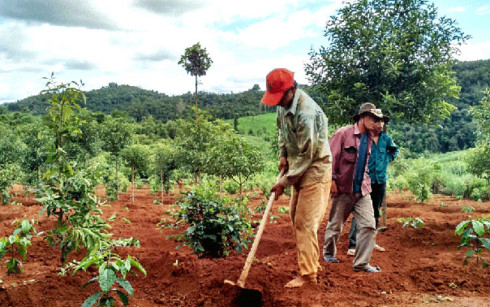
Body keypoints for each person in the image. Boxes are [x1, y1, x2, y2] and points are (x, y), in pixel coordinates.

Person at [262, 68, 332, 288]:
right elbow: (282, 132)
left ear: (292, 89)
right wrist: (283, 155)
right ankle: (311, 264)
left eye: (281, 97)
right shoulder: (283, 107)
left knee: (305, 222)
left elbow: (307, 155)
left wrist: (283, 183)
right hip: (296, 167)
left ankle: (309, 275)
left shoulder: (307, 112)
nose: (278, 103)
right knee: (295, 217)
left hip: (314, 168)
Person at [322, 103, 381, 273]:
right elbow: (330, 159)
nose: (375, 122)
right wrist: (332, 181)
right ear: (362, 117)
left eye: (377, 119)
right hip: (343, 188)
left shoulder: (370, 138)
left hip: (362, 189)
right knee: (335, 225)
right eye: (372, 118)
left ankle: (361, 264)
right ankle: (328, 254)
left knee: (369, 225)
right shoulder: (343, 133)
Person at [347, 110, 398, 256]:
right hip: (365, 181)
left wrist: (386, 159)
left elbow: (394, 150)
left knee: (375, 211)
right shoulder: (363, 138)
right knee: (360, 211)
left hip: (380, 180)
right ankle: (353, 245)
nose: (380, 124)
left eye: (382, 122)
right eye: (377, 121)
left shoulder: (386, 139)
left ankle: (371, 242)